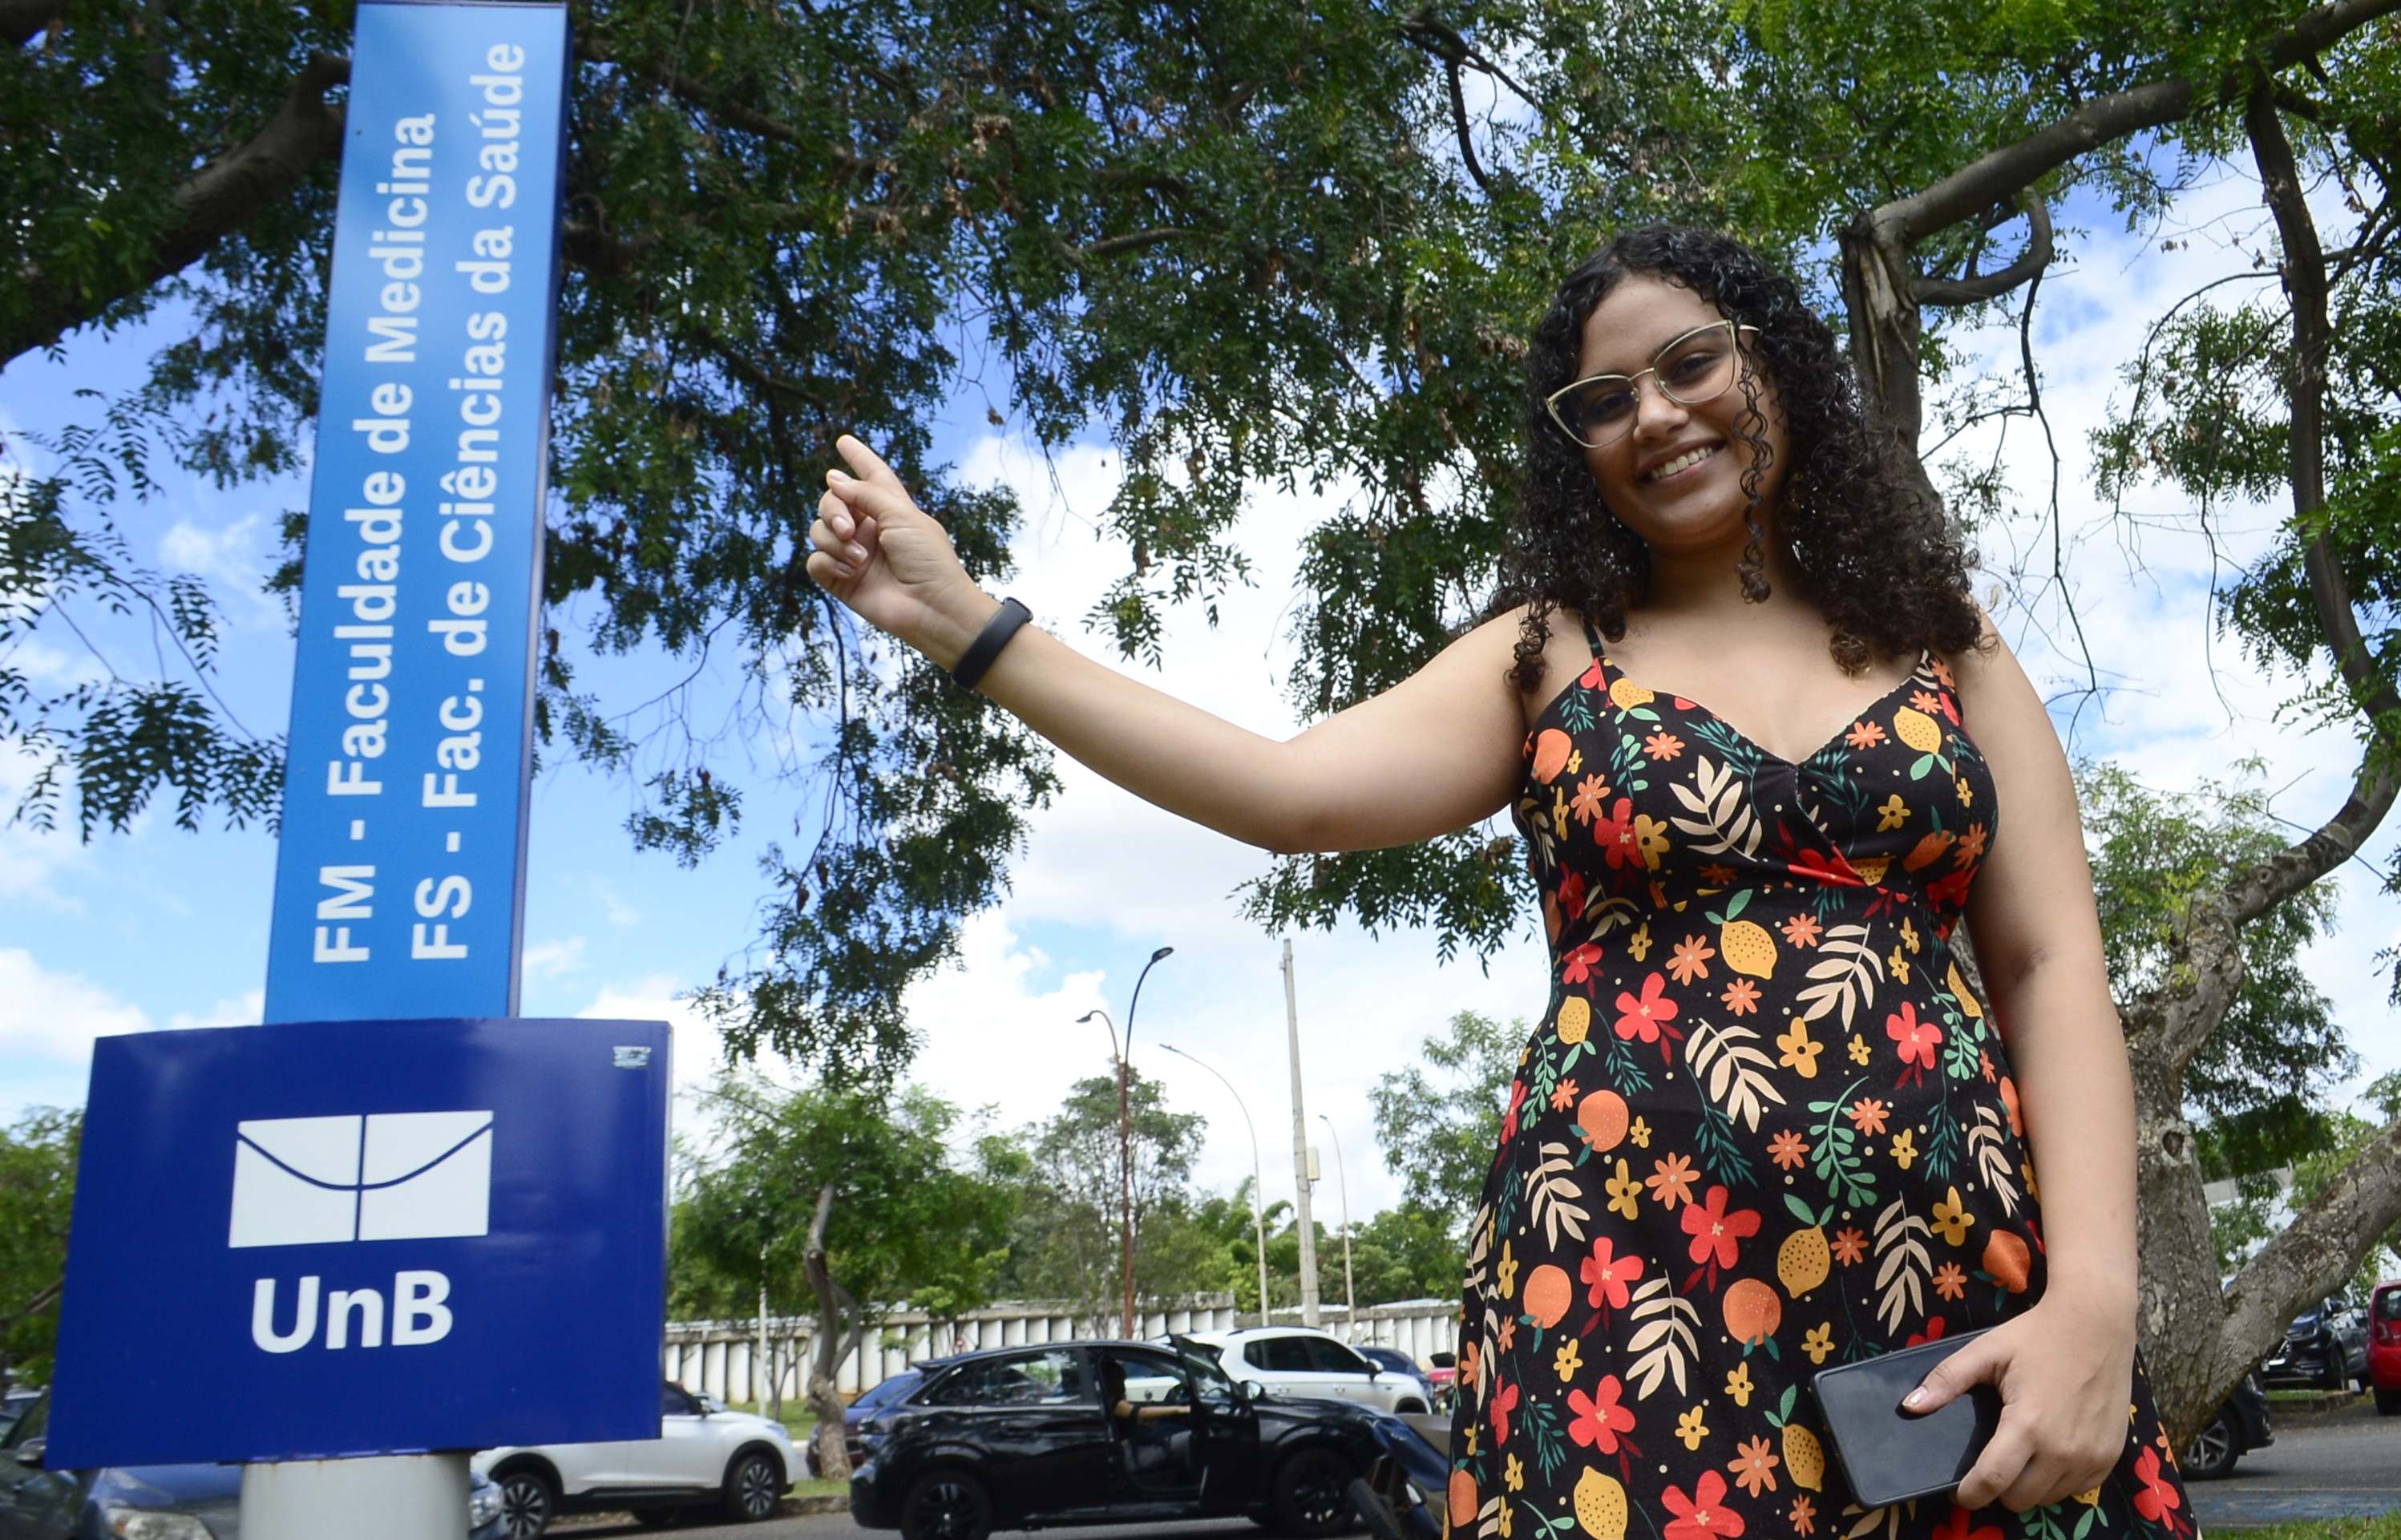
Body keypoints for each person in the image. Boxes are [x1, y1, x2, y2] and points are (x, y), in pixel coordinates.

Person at [802, 225, 2193, 1537]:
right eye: (1603, 398)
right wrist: (969, 625)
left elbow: (2050, 964)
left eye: (1691, 362)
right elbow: (1284, 791)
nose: (1654, 413)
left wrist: (2098, 1301)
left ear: (1771, 359)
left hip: (1957, 1284)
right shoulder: (1546, 652)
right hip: (1625, 1292)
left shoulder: (1945, 644)